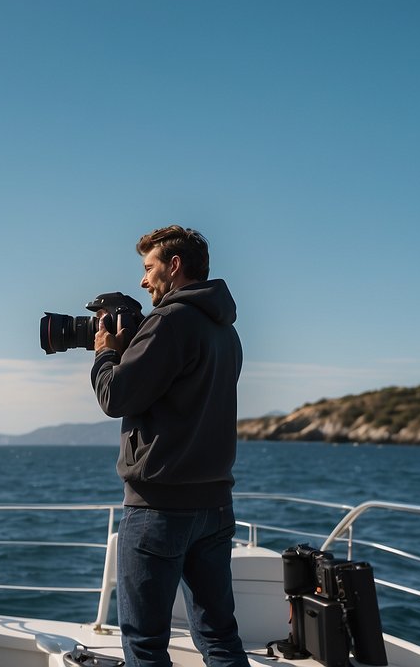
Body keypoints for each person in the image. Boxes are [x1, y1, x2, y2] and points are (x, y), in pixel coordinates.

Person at [90, 225, 248, 667]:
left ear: (174, 266)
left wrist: (105, 352)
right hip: (215, 506)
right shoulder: (226, 332)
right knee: (219, 638)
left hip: (160, 509)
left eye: (149, 268)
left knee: (145, 643)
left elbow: (115, 397)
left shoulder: (169, 322)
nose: (144, 281)